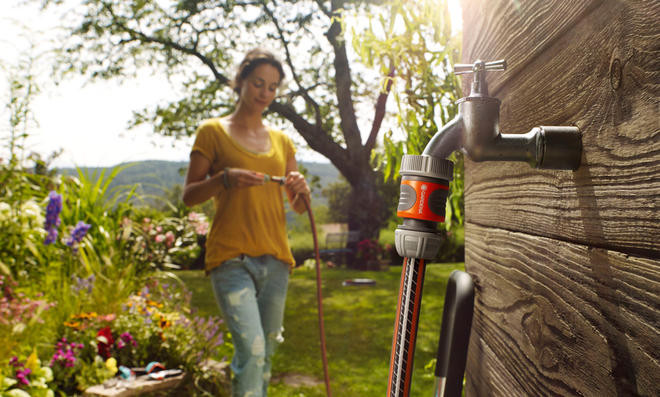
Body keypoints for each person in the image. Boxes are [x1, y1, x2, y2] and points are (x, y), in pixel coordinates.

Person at [182, 48, 310, 397]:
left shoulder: (282, 141)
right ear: (241, 81)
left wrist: (301, 189)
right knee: (252, 351)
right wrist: (223, 178)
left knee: (265, 354)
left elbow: (298, 206)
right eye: (258, 83)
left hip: (276, 260)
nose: (264, 93)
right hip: (231, 257)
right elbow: (189, 195)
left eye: (272, 87)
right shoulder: (211, 131)